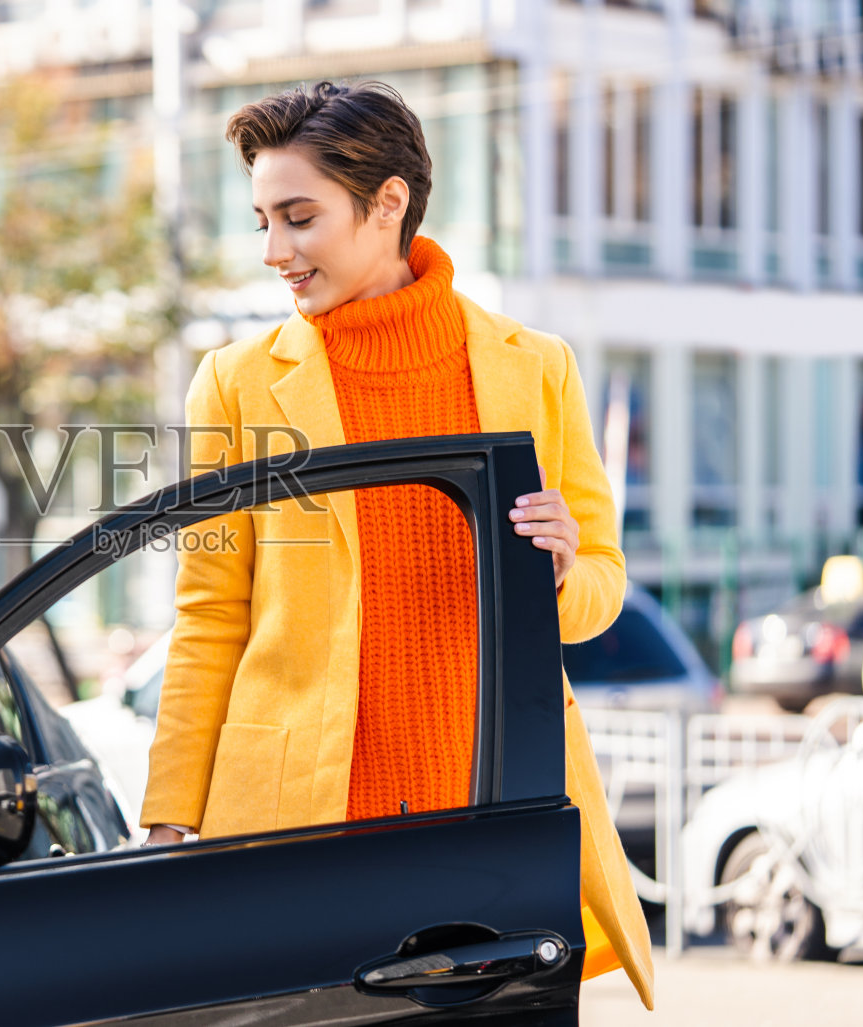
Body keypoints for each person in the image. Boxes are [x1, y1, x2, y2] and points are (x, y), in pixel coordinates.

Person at [137, 80, 653, 1010]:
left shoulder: (535, 367)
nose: (274, 251)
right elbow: (210, 615)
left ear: (387, 203)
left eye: (299, 218)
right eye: (263, 220)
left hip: (494, 827)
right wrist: (171, 818)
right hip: (304, 830)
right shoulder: (236, 385)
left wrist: (563, 569)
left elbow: (600, 591)